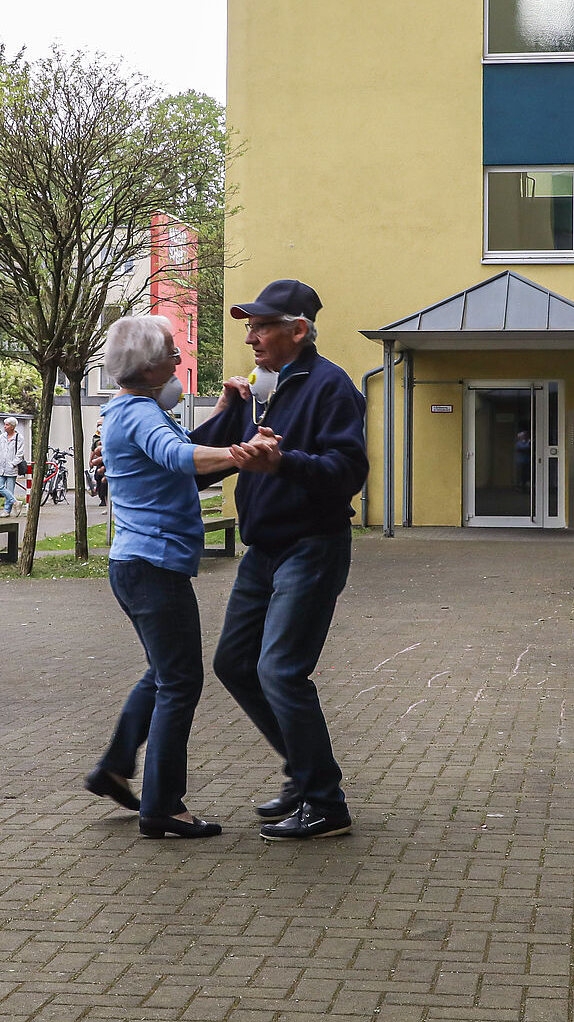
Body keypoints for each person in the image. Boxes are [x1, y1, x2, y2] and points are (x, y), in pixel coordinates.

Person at [191, 279, 368, 841]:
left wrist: (284, 463)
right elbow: (210, 462)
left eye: (262, 326)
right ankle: (303, 770)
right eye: (249, 326)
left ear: (298, 330)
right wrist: (227, 412)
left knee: (281, 670)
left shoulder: (331, 387)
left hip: (311, 547)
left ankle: (325, 803)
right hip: (262, 550)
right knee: (234, 664)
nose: (251, 336)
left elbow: (348, 472)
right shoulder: (260, 390)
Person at [85, 315, 241, 839]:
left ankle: (113, 768)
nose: (179, 359)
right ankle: (164, 806)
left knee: (162, 673)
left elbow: (179, 452)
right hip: (153, 568)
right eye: (173, 351)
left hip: (137, 565)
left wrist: (224, 414)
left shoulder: (135, 411)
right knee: (181, 681)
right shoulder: (137, 415)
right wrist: (244, 453)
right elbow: (180, 456)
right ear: (150, 364)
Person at [0, 415, 28, 517]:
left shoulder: (19, 438)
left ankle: (7, 510)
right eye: (4, 424)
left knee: (10, 489)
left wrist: (13, 463)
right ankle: (15, 502)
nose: (4, 426)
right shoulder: (2, 436)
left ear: (13, 427)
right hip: (0, 466)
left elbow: (20, 453)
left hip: (12, 467)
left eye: (7, 425)